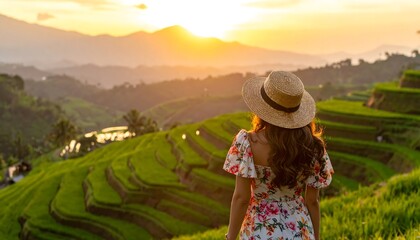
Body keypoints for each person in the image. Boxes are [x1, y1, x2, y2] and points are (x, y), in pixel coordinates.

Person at [223, 71, 334, 240]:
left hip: (259, 230)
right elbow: (312, 201)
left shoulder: (247, 142)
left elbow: (241, 198)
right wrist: (315, 237)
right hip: (299, 228)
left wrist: (230, 236)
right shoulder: (314, 147)